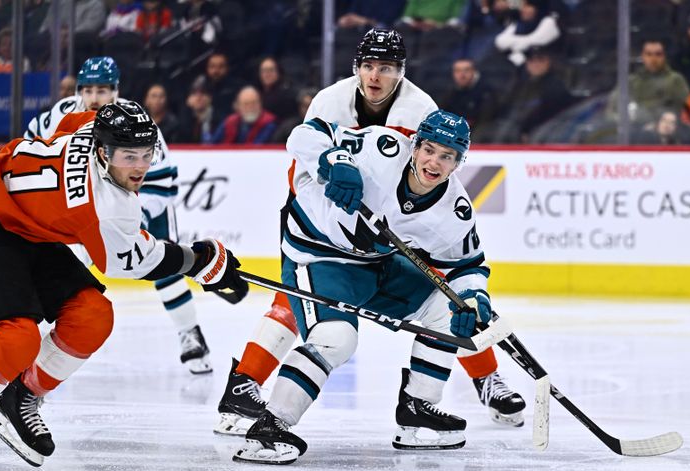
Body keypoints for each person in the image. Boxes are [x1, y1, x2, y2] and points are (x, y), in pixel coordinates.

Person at [216, 28, 524, 437]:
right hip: (325, 215)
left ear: (401, 72)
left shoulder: (420, 111)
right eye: (368, 66)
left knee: (449, 298)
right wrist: (334, 171)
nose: (375, 76)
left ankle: (479, 380)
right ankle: (247, 385)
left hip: (388, 223)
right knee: (309, 303)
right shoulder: (330, 101)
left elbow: (455, 245)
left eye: (387, 68)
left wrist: (473, 294)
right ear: (356, 67)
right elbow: (304, 147)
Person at [0, 101, 247, 471]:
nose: (139, 167)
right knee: (17, 339)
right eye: (128, 156)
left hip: (27, 226)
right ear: (103, 152)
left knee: (92, 316)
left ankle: (21, 397)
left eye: (146, 154)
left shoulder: (92, 126)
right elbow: (136, 262)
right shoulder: (108, 207)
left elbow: (67, 124)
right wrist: (199, 259)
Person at [234, 110, 500, 465]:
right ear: (415, 146)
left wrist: (471, 297)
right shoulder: (380, 148)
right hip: (317, 254)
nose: (434, 162)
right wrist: (334, 159)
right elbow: (305, 134)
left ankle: (417, 407)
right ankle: (271, 426)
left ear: (458, 163)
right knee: (337, 338)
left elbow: (468, 266)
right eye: (429, 150)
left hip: (374, 264)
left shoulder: (455, 211)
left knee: (444, 309)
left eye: (447, 156)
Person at [25, 57, 214, 374]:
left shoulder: (135, 119)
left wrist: (131, 219)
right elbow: (32, 145)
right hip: (82, 202)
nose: (95, 97)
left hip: (139, 199)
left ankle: (190, 334)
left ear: (116, 91)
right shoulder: (59, 115)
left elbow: (162, 180)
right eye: (88, 89)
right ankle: (35, 338)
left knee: (164, 267)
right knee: (61, 263)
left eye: (103, 89)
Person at [606, 39, 690, 129]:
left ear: (664, 57)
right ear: (643, 56)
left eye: (658, 54)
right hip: (634, 132)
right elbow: (612, 110)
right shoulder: (632, 81)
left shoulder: (675, 81)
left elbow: (686, 112)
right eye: (649, 54)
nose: (653, 59)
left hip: (664, 133)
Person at [494, 0, 560, 67]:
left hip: (543, 64)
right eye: (523, 6)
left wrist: (513, 45)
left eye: (528, 7)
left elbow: (533, 42)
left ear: (537, 9)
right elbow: (500, 40)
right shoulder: (519, 23)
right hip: (517, 63)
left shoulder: (549, 22)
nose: (523, 9)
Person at [209, 86, 278, 145]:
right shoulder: (229, 123)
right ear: (238, 106)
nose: (250, 107)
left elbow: (257, 147)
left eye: (253, 103)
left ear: (260, 104)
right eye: (246, 104)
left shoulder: (268, 124)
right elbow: (212, 145)